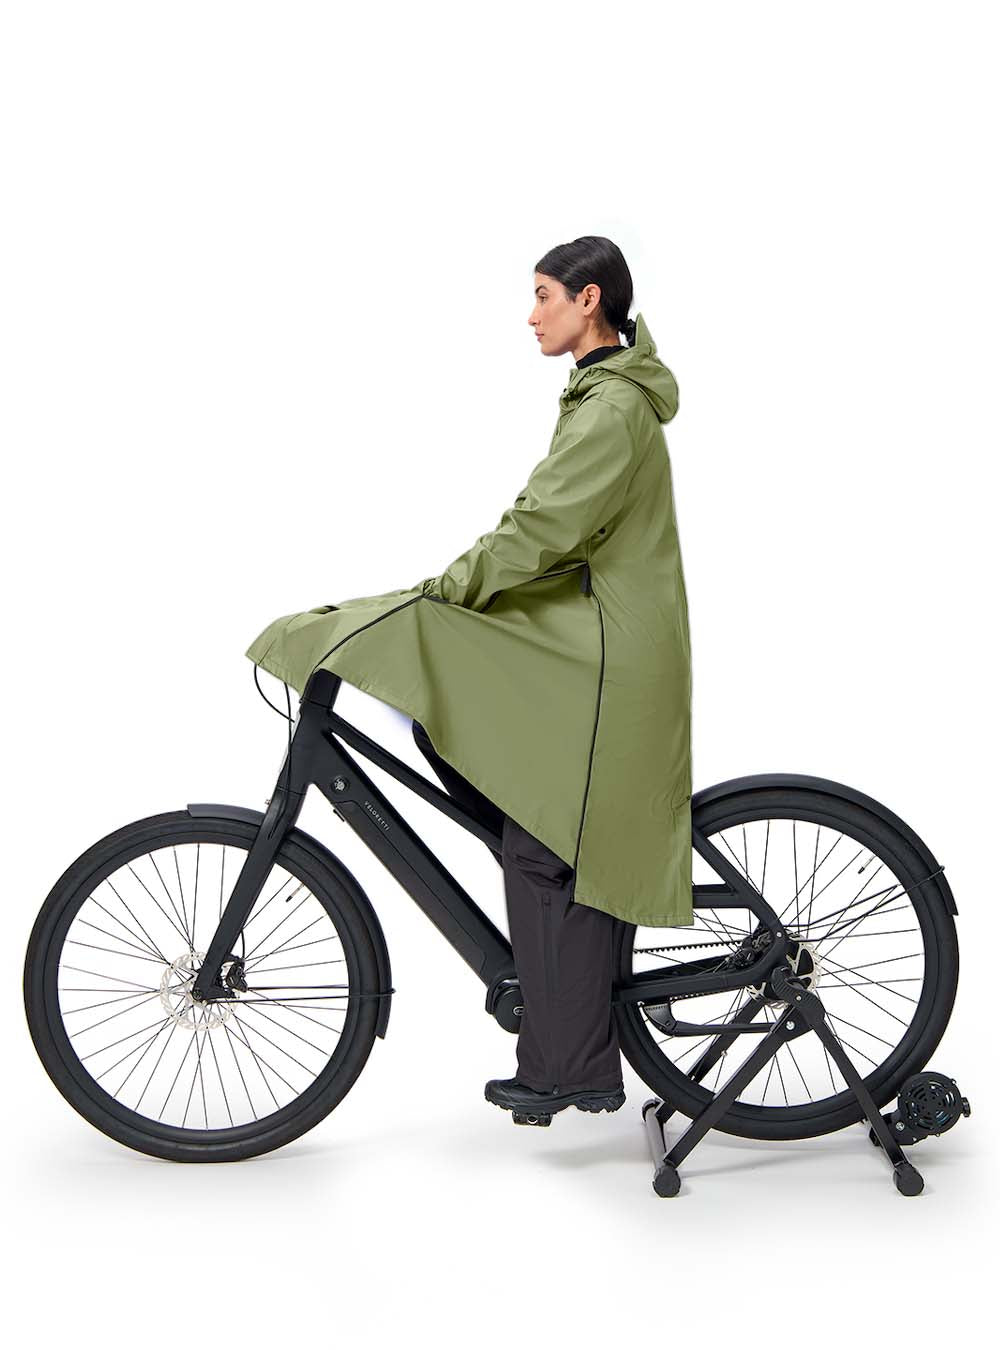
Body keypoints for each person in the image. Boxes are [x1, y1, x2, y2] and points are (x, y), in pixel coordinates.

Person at [410, 236, 676, 1120]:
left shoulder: (612, 408)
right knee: (469, 755)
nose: (530, 316)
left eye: (542, 296)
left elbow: (541, 527)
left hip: (609, 661)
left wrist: (451, 586)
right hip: (591, 647)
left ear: (588, 300)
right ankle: (568, 1032)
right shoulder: (601, 395)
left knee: (542, 846)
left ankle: (573, 1066)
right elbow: (548, 531)